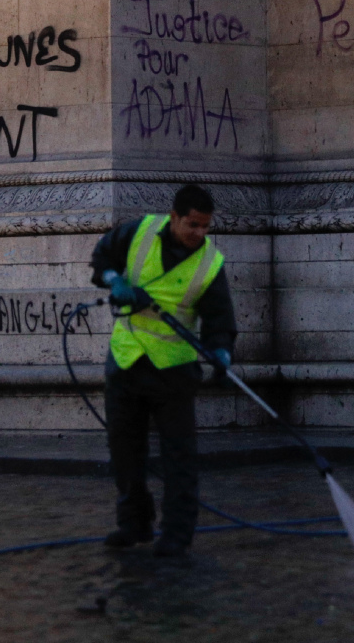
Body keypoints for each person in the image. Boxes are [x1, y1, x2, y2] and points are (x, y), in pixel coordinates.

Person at [90, 184, 237, 558]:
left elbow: (220, 319)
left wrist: (221, 351)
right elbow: (103, 255)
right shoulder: (139, 231)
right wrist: (115, 281)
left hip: (173, 371)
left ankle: (177, 533)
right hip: (126, 361)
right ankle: (134, 524)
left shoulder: (209, 264)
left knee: (179, 458)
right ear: (174, 218)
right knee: (124, 452)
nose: (199, 234)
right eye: (192, 225)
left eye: (205, 226)